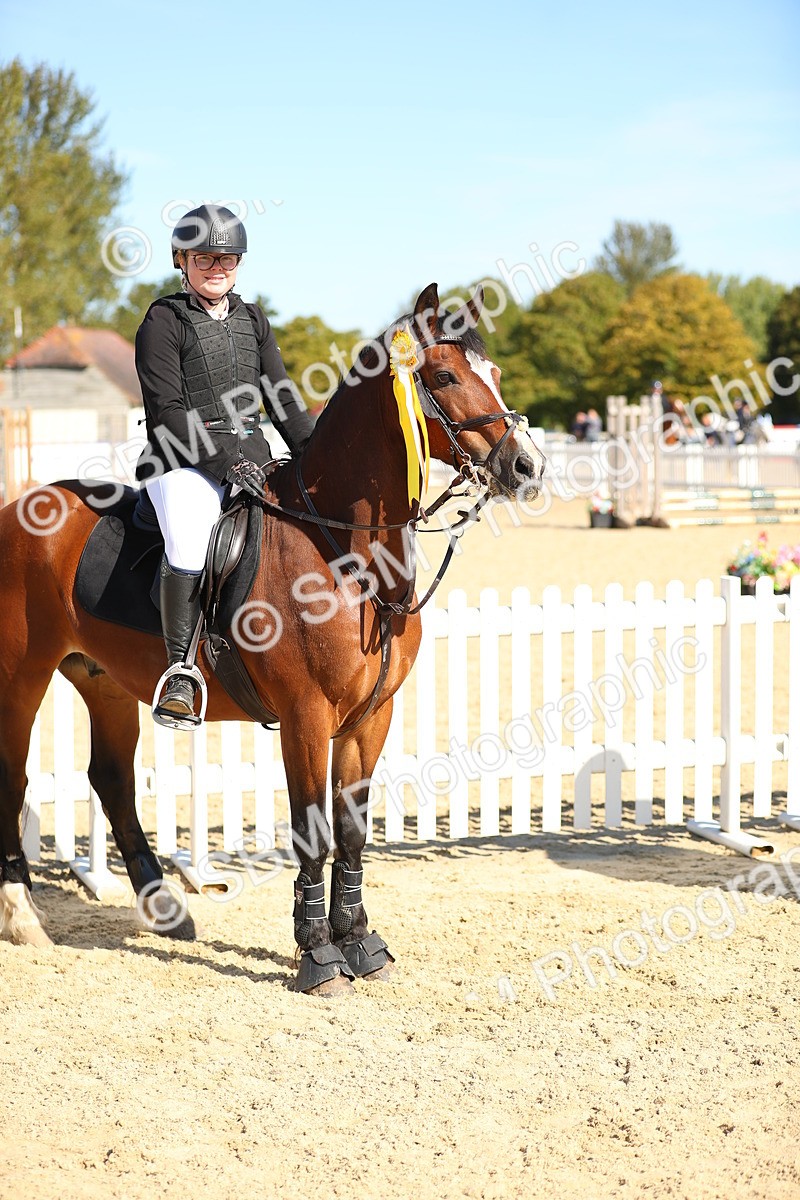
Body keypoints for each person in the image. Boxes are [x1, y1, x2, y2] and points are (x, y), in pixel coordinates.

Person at [135, 203, 315, 728]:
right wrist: (225, 463)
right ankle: (181, 672)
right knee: (191, 540)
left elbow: (281, 396)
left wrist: (312, 453)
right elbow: (167, 411)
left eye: (227, 259)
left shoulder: (253, 319)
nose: (217, 267)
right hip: (182, 460)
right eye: (205, 258)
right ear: (182, 260)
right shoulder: (163, 320)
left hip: (252, 456)